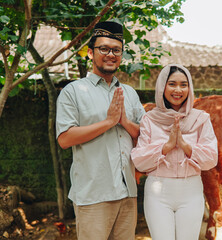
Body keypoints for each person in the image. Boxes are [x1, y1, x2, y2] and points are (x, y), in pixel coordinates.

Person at [56, 21, 145, 240]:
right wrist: (108, 122)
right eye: (103, 48)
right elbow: (65, 139)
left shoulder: (130, 93)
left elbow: (146, 135)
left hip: (128, 193)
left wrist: (124, 121)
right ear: (90, 52)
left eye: (116, 50)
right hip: (93, 194)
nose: (110, 54)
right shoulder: (73, 92)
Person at [131, 64, 218, 240]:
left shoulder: (201, 119)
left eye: (183, 84)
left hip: (191, 191)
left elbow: (211, 158)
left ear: (190, 88)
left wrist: (185, 146)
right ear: (162, 86)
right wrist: (167, 147)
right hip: (158, 193)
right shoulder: (149, 119)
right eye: (172, 84)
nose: (178, 90)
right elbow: (139, 160)